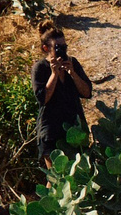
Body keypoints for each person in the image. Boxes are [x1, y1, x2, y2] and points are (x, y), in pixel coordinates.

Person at [31, 26, 93, 156]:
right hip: (51, 131)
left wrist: (73, 73)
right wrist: (54, 74)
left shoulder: (72, 62)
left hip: (74, 129)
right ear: (46, 48)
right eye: (57, 47)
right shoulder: (40, 68)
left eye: (64, 47)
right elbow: (43, 99)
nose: (62, 51)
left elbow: (87, 93)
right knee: (57, 168)